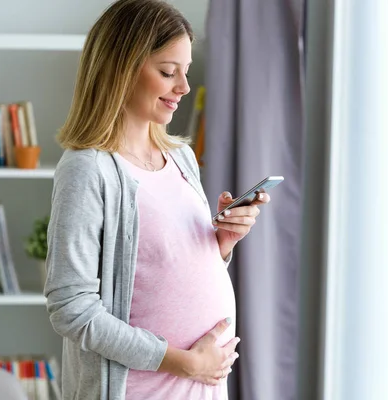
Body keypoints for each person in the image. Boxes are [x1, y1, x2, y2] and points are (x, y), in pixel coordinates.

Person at [44, 1, 271, 399]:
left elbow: (161, 269)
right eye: (168, 72)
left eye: (185, 71)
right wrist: (182, 361)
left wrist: (221, 244)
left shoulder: (180, 158)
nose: (183, 87)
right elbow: (71, 309)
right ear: (122, 68)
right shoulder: (88, 169)